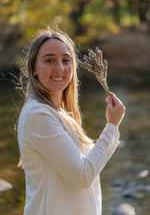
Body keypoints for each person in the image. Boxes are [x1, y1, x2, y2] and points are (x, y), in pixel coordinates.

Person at [17, 26, 126, 215]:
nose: (59, 68)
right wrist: (112, 126)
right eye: (49, 60)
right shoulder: (38, 115)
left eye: (66, 60)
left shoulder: (60, 113)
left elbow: (89, 167)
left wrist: (111, 127)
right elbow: (83, 175)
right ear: (34, 68)